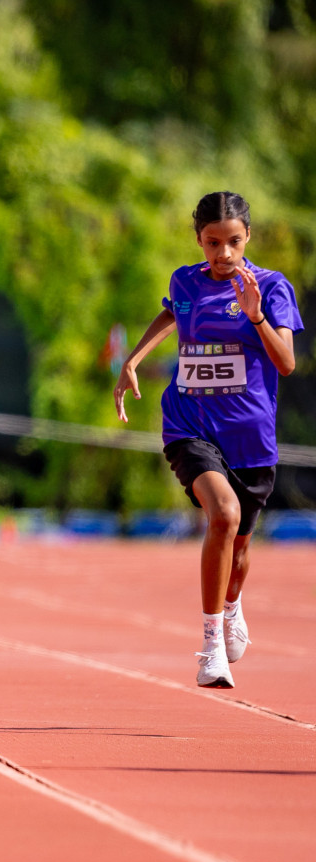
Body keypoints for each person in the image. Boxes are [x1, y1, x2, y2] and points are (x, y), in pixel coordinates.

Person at [114, 192, 301, 689]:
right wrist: (133, 359)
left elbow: (286, 363)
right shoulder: (185, 280)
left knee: (239, 546)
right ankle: (210, 647)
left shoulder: (272, 287)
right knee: (223, 515)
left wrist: (255, 315)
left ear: (248, 238)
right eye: (212, 243)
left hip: (250, 437)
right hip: (190, 424)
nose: (223, 254)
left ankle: (233, 602)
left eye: (233, 242)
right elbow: (171, 313)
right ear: (199, 239)